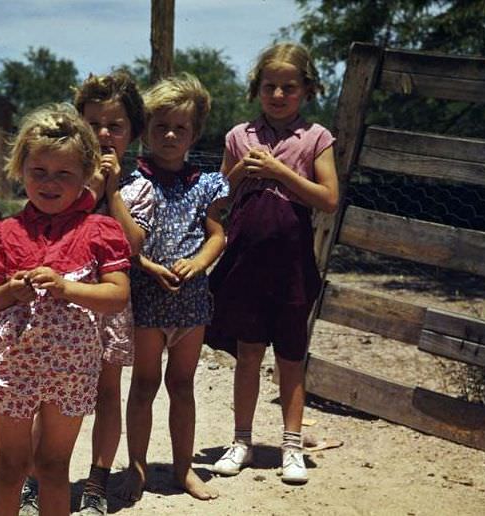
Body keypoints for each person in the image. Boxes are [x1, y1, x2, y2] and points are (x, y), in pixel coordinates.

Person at [0, 103, 132, 516]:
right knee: (10, 465)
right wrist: (12, 291)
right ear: (21, 169)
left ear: (85, 175)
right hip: (14, 363)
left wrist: (67, 287)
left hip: (70, 366)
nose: (50, 183)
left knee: (53, 466)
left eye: (63, 174)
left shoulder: (100, 231)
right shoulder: (6, 231)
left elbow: (117, 294)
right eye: (39, 171)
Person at [18, 72, 153, 516]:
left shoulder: (139, 186)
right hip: (60, 303)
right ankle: (36, 478)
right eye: (94, 123)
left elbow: (132, 246)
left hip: (107, 302)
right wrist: (89, 183)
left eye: (115, 125)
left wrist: (110, 191)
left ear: (133, 132)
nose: (104, 134)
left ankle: (97, 480)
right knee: (47, 391)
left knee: (107, 390)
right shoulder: (65, 176)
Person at [206, 42, 339, 485]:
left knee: (291, 356)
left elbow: (330, 199)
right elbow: (218, 198)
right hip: (246, 261)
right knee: (247, 353)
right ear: (256, 89)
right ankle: (241, 441)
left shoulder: (317, 138)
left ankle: (292, 446)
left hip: (292, 264)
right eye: (269, 87)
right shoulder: (238, 136)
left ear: (307, 89)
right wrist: (239, 171)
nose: (278, 95)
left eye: (288, 87)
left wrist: (281, 172)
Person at [119, 73, 229, 502]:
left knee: (182, 385)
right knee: (144, 385)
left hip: (191, 304)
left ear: (194, 132)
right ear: (146, 129)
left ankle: (183, 470)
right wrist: (146, 265)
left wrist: (199, 264)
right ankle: (138, 468)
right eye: (160, 125)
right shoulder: (133, 183)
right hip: (148, 300)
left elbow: (217, 235)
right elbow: (123, 244)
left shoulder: (206, 185)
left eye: (180, 128)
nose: (169, 135)